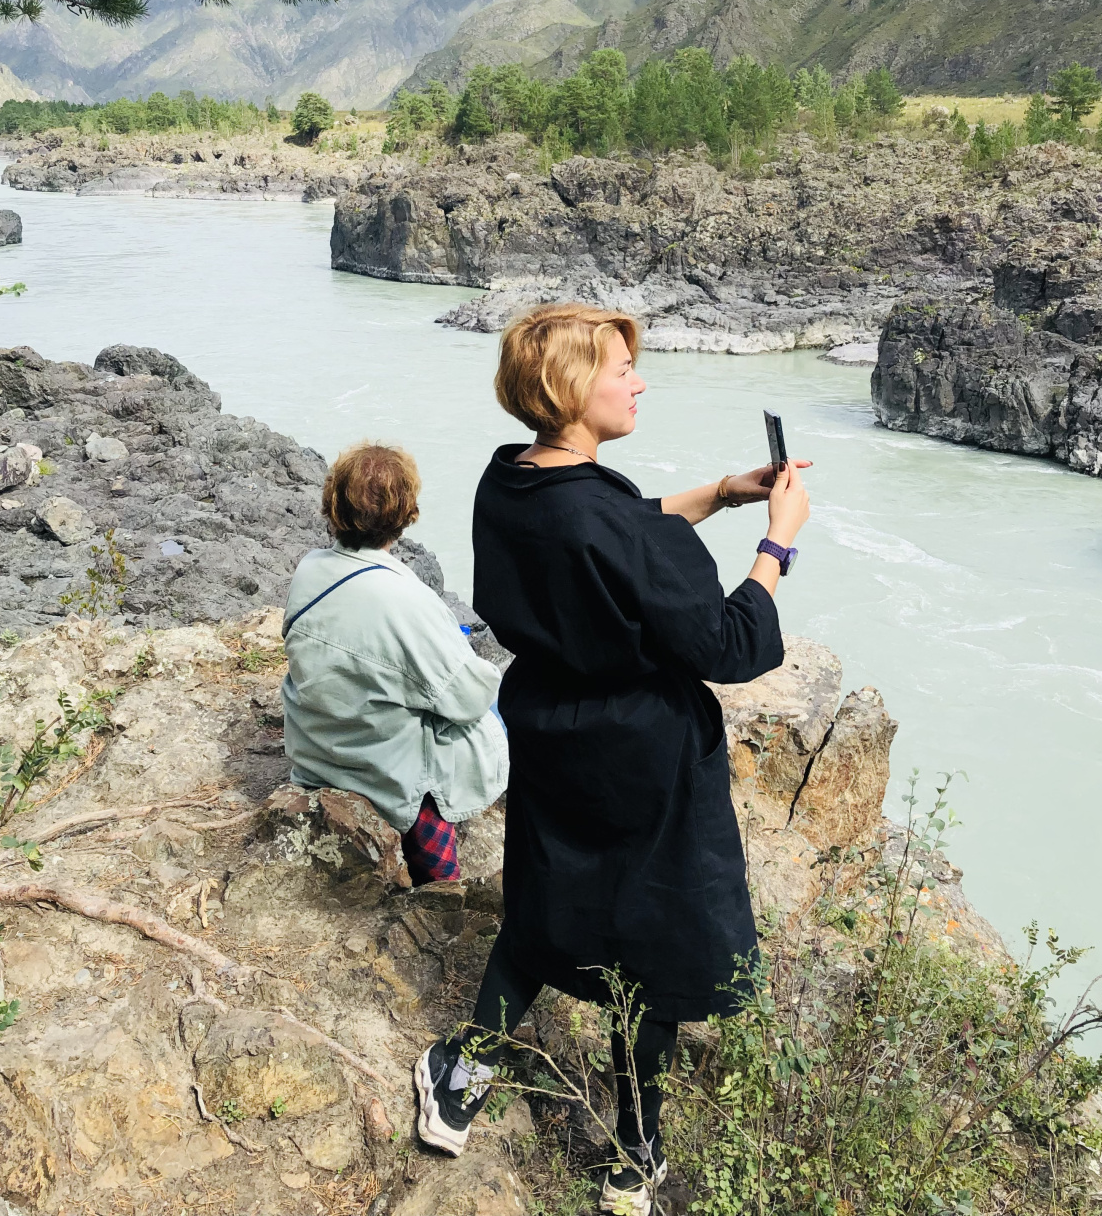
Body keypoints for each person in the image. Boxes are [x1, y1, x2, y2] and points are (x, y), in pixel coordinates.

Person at [413, 303, 811, 1214]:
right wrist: (775, 542)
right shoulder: (620, 527)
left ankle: (462, 1080)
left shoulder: (506, 481)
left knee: (541, 898)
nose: (638, 381)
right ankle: (633, 1155)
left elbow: (610, 530)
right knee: (655, 939)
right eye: (620, 368)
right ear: (566, 385)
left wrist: (716, 492)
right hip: (644, 751)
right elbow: (727, 646)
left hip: (551, 724)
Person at [282, 441, 508, 886]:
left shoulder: (311, 569)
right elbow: (467, 697)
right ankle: (441, 876)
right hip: (382, 762)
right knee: (501, 708)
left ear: (334, 503)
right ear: (406, 512)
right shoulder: (406, 600)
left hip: (320, 748)